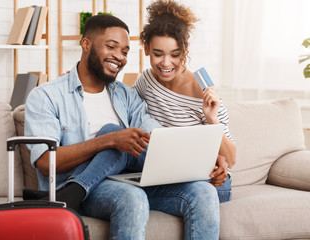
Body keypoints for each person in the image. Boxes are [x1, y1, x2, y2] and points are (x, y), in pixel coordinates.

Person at [25, 13, 228, 240]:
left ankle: (69, 195)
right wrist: (108, 140)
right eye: (111, 47)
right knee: (121, 164)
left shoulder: (127, 96)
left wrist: (203, 156)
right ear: (86, 44)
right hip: (94, 187)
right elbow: (44, 162)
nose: (119, 57)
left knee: (204, 192)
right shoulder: (46, 96)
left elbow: (157, 135)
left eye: (124, 52)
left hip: (129, 177)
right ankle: (74, 190)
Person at [133, 0, 237, 204]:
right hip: (172, 176)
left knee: (198, 193)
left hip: (212, 183)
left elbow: (231, 159)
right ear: (146, 48)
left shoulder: (202, 92)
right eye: (158, 54)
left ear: (185, 51)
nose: (165, 63)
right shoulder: (146, 81)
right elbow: (124, 107)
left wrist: (211, 119)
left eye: (175, 55)